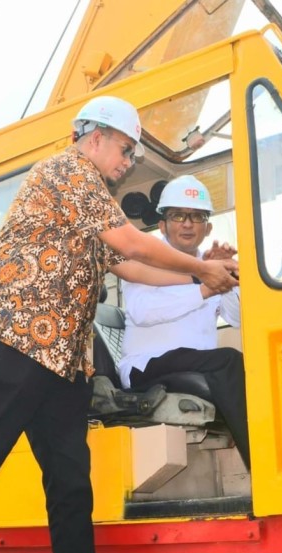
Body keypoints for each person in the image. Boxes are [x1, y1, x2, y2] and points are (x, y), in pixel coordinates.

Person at [0, 95, 239, 553]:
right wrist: (200, 268)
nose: (127, 163)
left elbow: (130, 268)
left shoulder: (89, 199)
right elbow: (135, 246)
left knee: (71, 483)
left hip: (61, 360)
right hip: (14, 341)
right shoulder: (69, 171)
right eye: (125, 150)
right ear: (94, 137)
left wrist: (201, 285)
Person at [118, 175, 249, 467]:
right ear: (163, 224)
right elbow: (143, 312)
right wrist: (204, 286)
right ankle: (261, 465)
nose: (187, 223)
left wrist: (229, 280)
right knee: (228, 361)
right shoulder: (145, 257)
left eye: (196, 216)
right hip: (145, 366)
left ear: (208, 227)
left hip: (193, 360)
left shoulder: (208, 263)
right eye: (178, 215)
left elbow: (238, 318)